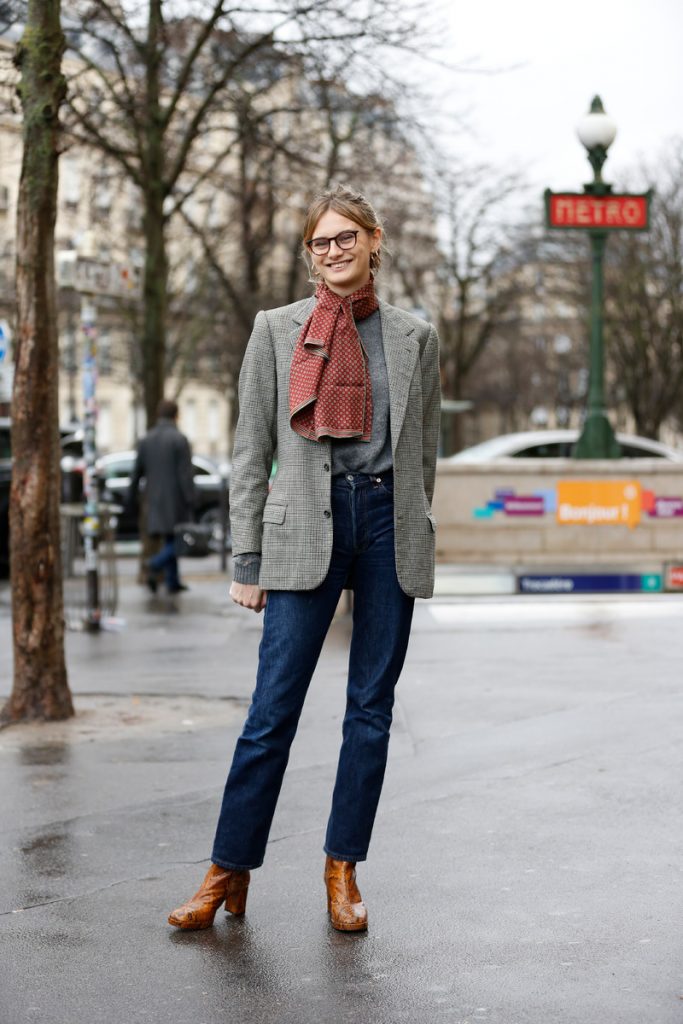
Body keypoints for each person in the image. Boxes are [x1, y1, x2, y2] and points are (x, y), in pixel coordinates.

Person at [168, 184, 441, 933]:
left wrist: (415, 520)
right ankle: (227, 868)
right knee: (271, 712)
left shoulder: (414, 336)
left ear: (373, 240)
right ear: (309, 254)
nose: (333, 251)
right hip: (301, 528)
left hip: (386, 523)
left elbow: (423, 449)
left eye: (346, 237)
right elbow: (250, 448)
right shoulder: (276, 328)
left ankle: (341, 869)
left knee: (370, 710)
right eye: (321, 242)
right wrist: (246, 559)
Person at [128, 398, 195, 595]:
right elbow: (185, 474)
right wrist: (191, 498)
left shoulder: (146, 439)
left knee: (169, 539)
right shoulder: (179, 439)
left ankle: (172, 582)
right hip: (176, 500)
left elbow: (136, 473)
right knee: (179, 541)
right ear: (176, 415)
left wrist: (130, 498)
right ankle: (154, 563)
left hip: (154, 499)